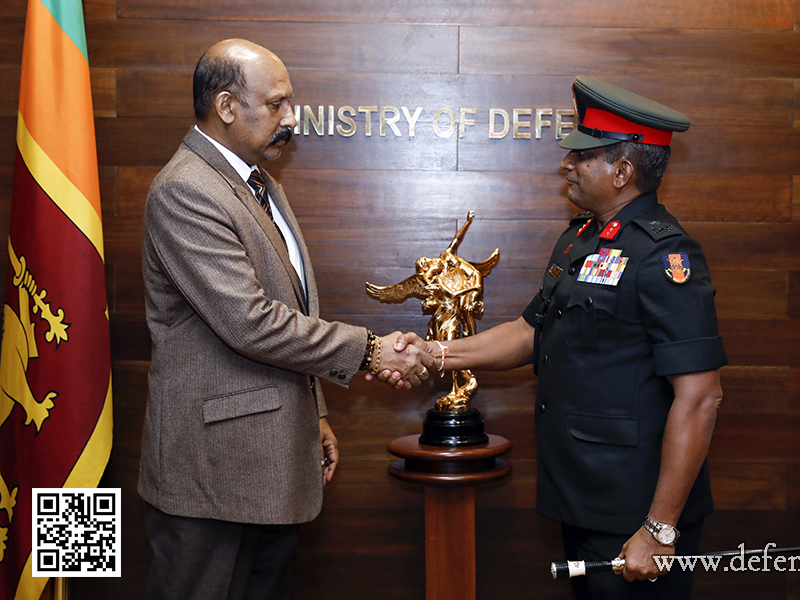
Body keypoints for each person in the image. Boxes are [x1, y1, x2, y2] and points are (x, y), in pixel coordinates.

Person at [392, 76, 727, 599]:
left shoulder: (664, 256)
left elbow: (701, 397)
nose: (565, 165)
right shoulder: (579, 238)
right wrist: (436, 352)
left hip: (637, 513)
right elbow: (530, 331)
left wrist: (661, 529)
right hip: (582, 496)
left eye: (582, 156)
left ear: (622, 171)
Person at [139, 39, 433, 599]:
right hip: (213, 471)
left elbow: (292, 307)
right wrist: (372, 350)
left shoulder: (259, 182)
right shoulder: (186, 190)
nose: (291, 118)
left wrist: (313, 413)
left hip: (269, 459)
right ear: (226, 107)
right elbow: (250, 320)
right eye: (276, 104)